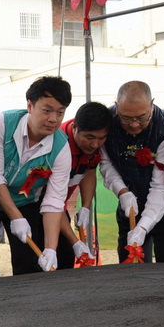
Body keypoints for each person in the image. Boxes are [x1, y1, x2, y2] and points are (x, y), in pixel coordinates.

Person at [0, 76, 73, 274]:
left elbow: (54, 201)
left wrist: (50, 248)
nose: (53, 119)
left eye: (60, 112)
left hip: (26, 203)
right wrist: (15, 217)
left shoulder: (61, 148)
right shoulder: (3, 123)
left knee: (28, 264)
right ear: (30, 105)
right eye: (47, 110)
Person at [100, 81, 164, 263]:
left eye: (142, 117)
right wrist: (122, 192)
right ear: (116, 106)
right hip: (129, 205)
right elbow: (106, 163)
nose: (134, 124)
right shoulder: (107, 122)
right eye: (126, 118)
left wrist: (143, 226)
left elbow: (162, 186)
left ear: (151, 105)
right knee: (130, 265)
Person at [59, 101, 110, 263]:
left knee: (65, 257)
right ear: (75, 128)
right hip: (38, 205)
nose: (95, 144)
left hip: (58, 205)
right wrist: (75, 241)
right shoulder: (58, 144)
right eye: (89, 137)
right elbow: (51, 201)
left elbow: (89, 171)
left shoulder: (92, 147)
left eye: (101, 138)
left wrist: (86, 207)